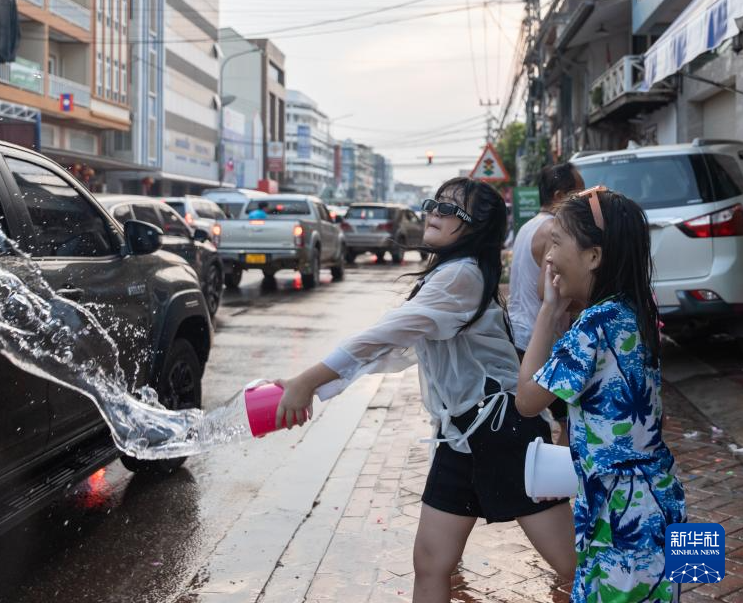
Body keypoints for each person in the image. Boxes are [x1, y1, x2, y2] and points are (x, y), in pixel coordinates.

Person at [276, 177, 576, 603]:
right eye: (434, 203)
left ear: (475, 228)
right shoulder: (451, 273)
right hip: (460, 435)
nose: (434, 212)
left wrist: (308, 381)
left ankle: (658, 580)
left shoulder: (462, 275)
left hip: (502, 433)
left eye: (450, 209)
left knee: (575, 562)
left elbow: (383, 335)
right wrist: (317, 383)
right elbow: (393, 342)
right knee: (430, 563)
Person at [516, 186, 686, 603]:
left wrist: (548, 310)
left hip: (621, 516)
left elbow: (527, 400)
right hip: (662, 498)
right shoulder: (636, 310)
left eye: (556, 242)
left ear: (593, 256)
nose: (548, 257)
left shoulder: (592, 327)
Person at [509, 162, 584, 445]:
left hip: (520, 334)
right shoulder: (555, 228)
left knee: (543, 421)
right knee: (568, 422)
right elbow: (547, 291)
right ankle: (561, 472)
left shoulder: (529, 226)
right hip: (540, 341)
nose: (584, 198)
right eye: (579, 192)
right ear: (559, 196)